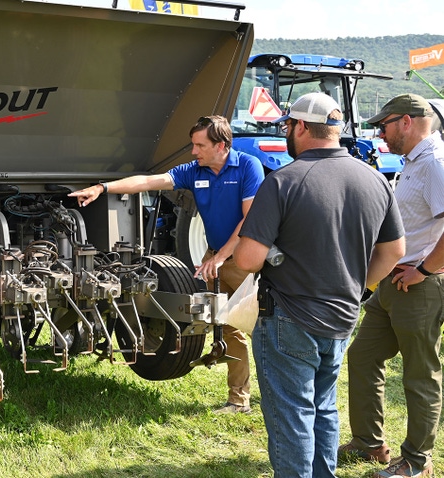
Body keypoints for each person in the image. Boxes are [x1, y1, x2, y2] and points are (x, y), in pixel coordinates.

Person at [233, 92, 405, 477]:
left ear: (300, 127)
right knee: (323, 407)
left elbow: (246, 260)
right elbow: (394, 250)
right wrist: (358, 287)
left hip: (289, 318)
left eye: (288, 126)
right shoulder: (375, 179)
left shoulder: (283, 181)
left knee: (292, 413)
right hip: (343, 315)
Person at [69, 115, 264, 414]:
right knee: (228, 327)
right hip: (215, 257)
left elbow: (250, 219)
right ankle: (239, 400)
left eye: (200, 145)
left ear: (221, 146)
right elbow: (149, 181)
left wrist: (221, 256)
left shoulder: (249, 166)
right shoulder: (194, 170)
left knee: (262, 329)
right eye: (193, 144)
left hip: (245, 259)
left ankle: (284, 395)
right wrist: (103, 188)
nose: (193, 151)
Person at [339, 93, 444, 478]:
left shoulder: (434, 162)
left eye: (384, 125)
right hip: (393, 281)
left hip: (417, 284)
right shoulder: (416, 162)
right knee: (363, 356)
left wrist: (426, 271)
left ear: (407, 121)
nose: (380, 134)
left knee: (420, 373)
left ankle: (417, 462)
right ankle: (368, 443)